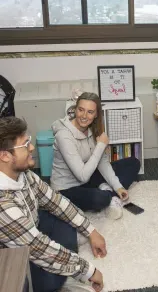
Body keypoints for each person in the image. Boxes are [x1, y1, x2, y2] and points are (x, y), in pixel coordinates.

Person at [0, 116, 105, 292]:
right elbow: (36, 247)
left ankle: (61, 264)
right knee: (45, 280)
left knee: (60, 216)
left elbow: (55, 201)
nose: (31, 147)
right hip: (12, 259)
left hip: (31, 231)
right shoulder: (3, 204)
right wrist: (88, 271)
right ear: (5, 156)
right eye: (25, 145)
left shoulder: (24, 175)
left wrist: (91, 231)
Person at [51, 92, 140, 220]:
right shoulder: (64, 136)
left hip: (88, 176)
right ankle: (108, 195)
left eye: (90, 112)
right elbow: (82, 176)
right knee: (100, 198)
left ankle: (111, 193)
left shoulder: (92, 128)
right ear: (75, 109)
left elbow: (101, 161)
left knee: (133, 163)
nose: (84, 116)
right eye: (81, 110)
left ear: (96, 114)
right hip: (67, 188)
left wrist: (118, 186)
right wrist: (100, 145)